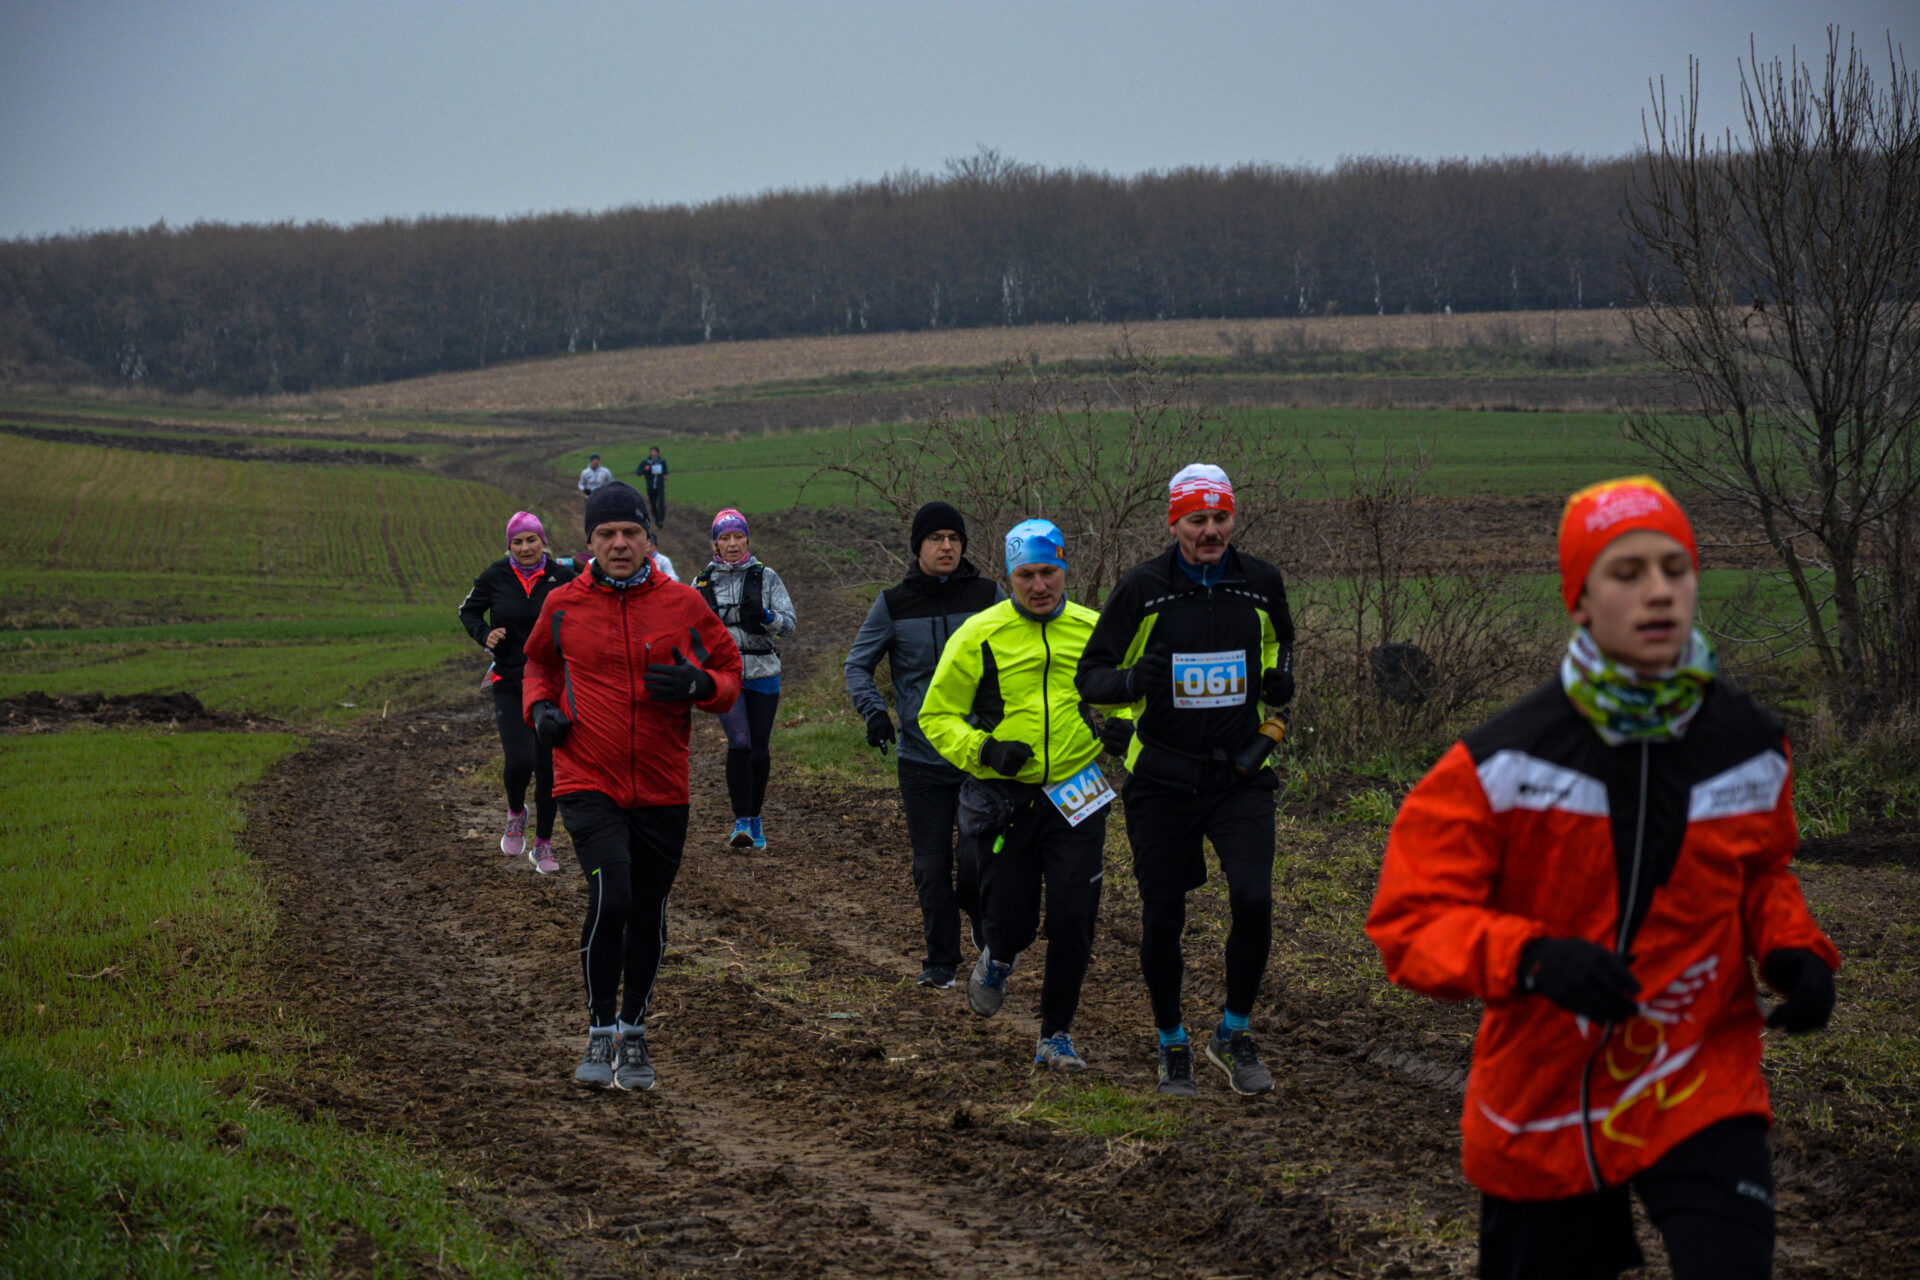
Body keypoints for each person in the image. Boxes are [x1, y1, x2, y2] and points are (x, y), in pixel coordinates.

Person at [1365, 476, 1840, 1280]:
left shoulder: (1750, 742)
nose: (1659, 591)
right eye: (1627, 573)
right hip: (1545, 1096)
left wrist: (1793, 948)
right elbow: (1410, 924)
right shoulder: (1502, 763)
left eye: (1675, 568)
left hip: (1697, 1074)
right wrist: (1532, 958)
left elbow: (1763, 872)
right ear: (1579, 599)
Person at [1075, 463, 1296, 1097]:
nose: (1210, 531)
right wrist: (1129, 683)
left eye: (1221, 517)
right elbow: (1091, 675)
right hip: (1162, 779)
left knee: (1253, 899)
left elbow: (1282, 643)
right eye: (1197, 519)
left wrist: (1280, 681)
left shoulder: (1260, 581)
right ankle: (1172, 1041)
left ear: (1233, 518)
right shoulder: (1143, 588)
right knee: (1163, 914)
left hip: (1239, 774)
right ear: (1174, 524)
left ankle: (1233, 1032)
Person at [521, 482, 743, 1090]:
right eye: (607, 534)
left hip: (663, 786)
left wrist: (702, 686)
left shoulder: (683, 604)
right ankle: (599, 1028)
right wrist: (540, 710)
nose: (619, 544)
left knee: (647, 909)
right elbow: (538, 662)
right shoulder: (563, 603)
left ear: (649, 539)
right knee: (612, 897)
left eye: (631, 533)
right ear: (590, 542)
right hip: (586, 777)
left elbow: (728, 669)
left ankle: (634, 1030)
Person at [920, 519, 1110, 1071]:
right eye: (1026, 575)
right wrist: (985, 750)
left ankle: (1055, 1035)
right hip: (1006, 797)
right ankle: (999, 955)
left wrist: (1122, 726)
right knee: (1011, 918)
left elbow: (1129, 696)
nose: (1039, 586)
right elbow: (936, 715)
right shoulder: (979, 634)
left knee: (1074, 916)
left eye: (1048, 572)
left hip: (1077, 789)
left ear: (1064, 568)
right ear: (1009, 577)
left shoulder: (1094, 630)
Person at [844, 501, 1006, 989]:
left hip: (979, 753)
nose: (947, 547)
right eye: (936, 539)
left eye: (954, 539)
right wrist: (874, 712)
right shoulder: (893, 604)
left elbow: (1017, 658)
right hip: (920, 757)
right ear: (919, 547)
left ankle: (977, 912)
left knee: (976, 858)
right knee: (932, 865)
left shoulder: (988, 596)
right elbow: (857, 664)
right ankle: (940, 961)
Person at [458, 511, 578, 874]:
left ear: (543, 541)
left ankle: (543, 845)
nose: (525, 548)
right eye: (517, 542)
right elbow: (468, 611)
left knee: (548, 769)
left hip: (553, 683)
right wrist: (485, 634)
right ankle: (515, 812)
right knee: (519, 762)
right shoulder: (494, 576)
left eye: (531, 540)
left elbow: (585, 614)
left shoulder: (562, 577)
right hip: (510, 680)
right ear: (509, 546)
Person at [691, 508, 796, 850]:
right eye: (725, 538)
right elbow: (688, 630)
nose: (733, 543)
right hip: (726, 674)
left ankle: (755, 815)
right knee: (739, 741)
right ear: (716, 543)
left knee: (759, 750)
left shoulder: (767, 577)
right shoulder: (702, 582)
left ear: (747, 539)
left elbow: (790, 624)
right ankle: (741, 822)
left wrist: (766, 617)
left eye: (738, 536)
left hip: (763, 669)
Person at [637, 446, 669, 527]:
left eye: (655, 452)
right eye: (652, 452)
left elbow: (665, 470)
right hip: (650, 486)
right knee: (653, 504)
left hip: (660, 485)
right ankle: (656, 518)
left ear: (658, 453)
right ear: (650, 453)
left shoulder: (662, 461)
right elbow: (638, 472)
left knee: (661, 502)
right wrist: (645, 469)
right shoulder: (646, 462)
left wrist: (666, 475)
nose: (653, 453)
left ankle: (660, 520)